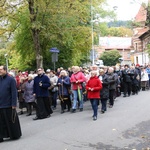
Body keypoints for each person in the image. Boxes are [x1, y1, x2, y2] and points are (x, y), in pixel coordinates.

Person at [0, 65, 22, 142]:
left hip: (9, 104)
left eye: (1, 69)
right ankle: (2, 136)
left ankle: (14, 135)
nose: (0, 71)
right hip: (1, 104)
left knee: (11, 121)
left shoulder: (11, 79)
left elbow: (14, 92)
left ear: (5, 70)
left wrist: (14, 104)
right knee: (1, 122)